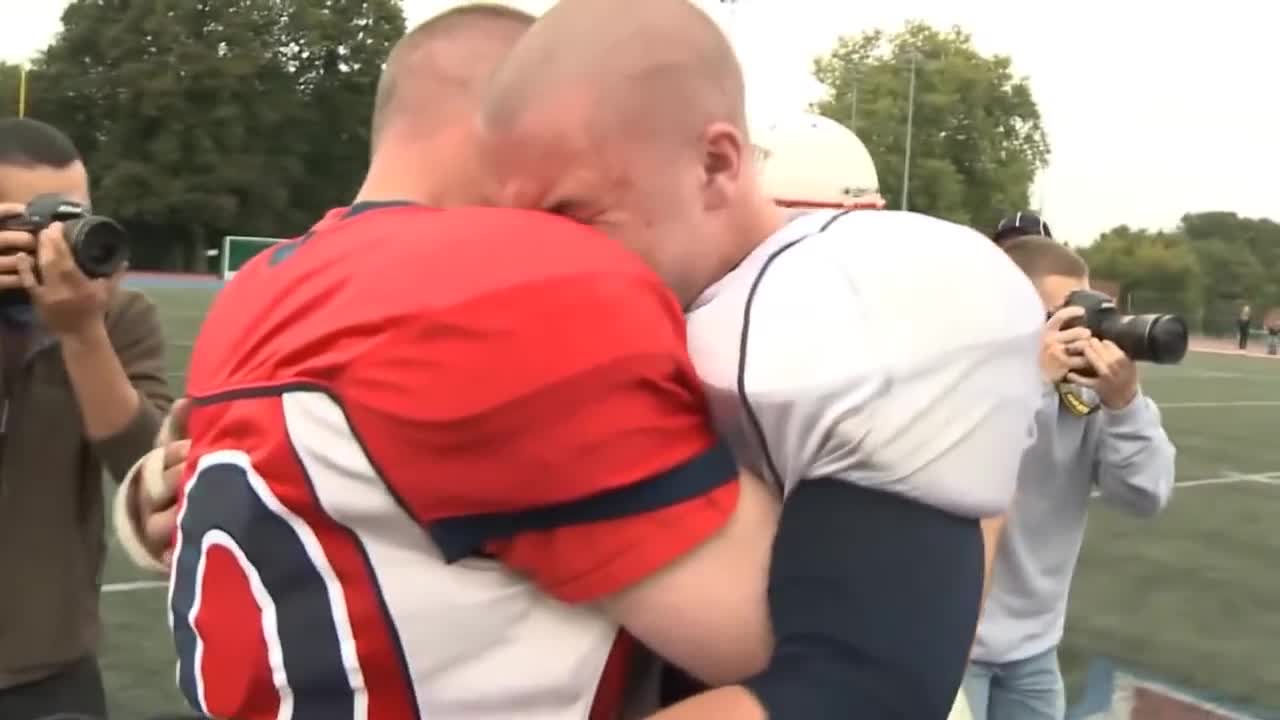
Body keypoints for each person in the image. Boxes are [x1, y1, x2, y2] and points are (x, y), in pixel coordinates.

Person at [120, 3, 1038, 718]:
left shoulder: (271, 282)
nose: (556, 244)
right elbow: (845, 665)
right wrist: (964, 418)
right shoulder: (497, 295)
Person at [477, 1, 1044, 717]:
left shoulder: (859, 304)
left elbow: (863, 695)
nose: (547, 255)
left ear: (716, 164)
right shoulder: (675, 296)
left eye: (574, 216)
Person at [0, 117, 172, 719]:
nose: (54, 241)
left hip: (47, 665)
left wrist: (83, 336)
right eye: (26, 223)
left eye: (69, 219)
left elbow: (153, 480)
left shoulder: (118, 319)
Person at [963, 235, 1176, 720]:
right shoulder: (967, 381)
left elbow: (1146, 496)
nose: (1084, 332)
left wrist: (1125, 406)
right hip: (952, 644)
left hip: (1035, 650)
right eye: (1066, 315)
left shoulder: (1087, 397)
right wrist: (1033, 385)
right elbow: (979, 470)